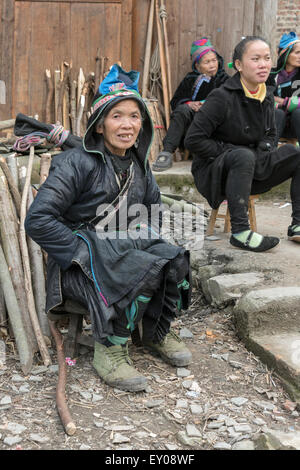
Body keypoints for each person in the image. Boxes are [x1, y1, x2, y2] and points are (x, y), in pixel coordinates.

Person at [25, 64, 192, 392]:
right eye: (117, 116)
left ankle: (155, 329)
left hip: (123, 253)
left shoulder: (139, 165)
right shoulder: (75, 163)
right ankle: (110, 345)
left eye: (134, 116)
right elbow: (38, 219)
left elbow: (153, 211)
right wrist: (81, 251)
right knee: (139, 266)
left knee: (175, 258)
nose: (127, 125)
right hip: (80, 267)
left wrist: (143, 237)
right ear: (100, 125)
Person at [184, 36, 300, 252]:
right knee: (242, 156)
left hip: (252, 167)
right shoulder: (221, 97)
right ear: (238, 65)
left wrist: (265, 149)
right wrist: (231, 150)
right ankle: (240, 232)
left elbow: (269, 134)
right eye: (255, 59)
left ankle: (297, 224)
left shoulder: (266, 95)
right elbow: (193, 139)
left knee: (295, 153)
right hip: (216, 173)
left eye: (266, 58)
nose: (263, 64)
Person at [152, 38, 228, 171]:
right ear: (197, 66)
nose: (212, 65)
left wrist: (207, 105)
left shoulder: (224, 79)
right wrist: (189, 103)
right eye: (207, 62)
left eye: (214, 60)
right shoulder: (189, 79)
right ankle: (167, 152)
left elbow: (230, 100)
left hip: (214, 124)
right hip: (192, 124)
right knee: (181, 109)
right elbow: (175, 101)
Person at [268, 32, 300, 146]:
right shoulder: (271, 75)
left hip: (296, 125)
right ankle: (267, 155)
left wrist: (282, 101)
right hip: (275, 124)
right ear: (285, 53)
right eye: (297, 53)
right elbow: (264, 97)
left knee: (298, 113)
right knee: (278, 113)